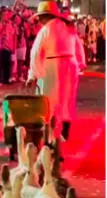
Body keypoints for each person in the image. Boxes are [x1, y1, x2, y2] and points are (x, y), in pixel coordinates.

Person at [26, 1, 79, 140]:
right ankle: (65, 129)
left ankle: (50, 131)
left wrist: (32, 75)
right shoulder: (70, 27)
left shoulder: (46, 29)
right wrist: (80, 64)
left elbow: (35, 53)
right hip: (71, 65)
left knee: (50, 99)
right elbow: (79, 48)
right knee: (68, 98)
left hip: (54, 66)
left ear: (44, 16)